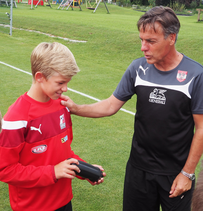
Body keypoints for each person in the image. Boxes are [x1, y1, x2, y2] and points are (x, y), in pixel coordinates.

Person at [60, 6, 203, 211]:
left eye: (151, 41)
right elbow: (110, 105)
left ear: (171, 38)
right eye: (141, 40)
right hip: (138, 170)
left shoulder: (196, 75)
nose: (143, 47)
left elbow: (201, 128)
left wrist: (187, 174)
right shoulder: (138, 68)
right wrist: (75, 108)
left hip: (176, 173)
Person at [0, 42, 105, 211]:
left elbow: (63, 152)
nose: (65, 88)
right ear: (40, 77)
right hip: (32, 206)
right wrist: (52, 172)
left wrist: (84, 169)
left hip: (63, 201)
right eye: (60, 82)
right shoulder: (17, 117)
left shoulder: (62, 106)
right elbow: (5, 169)